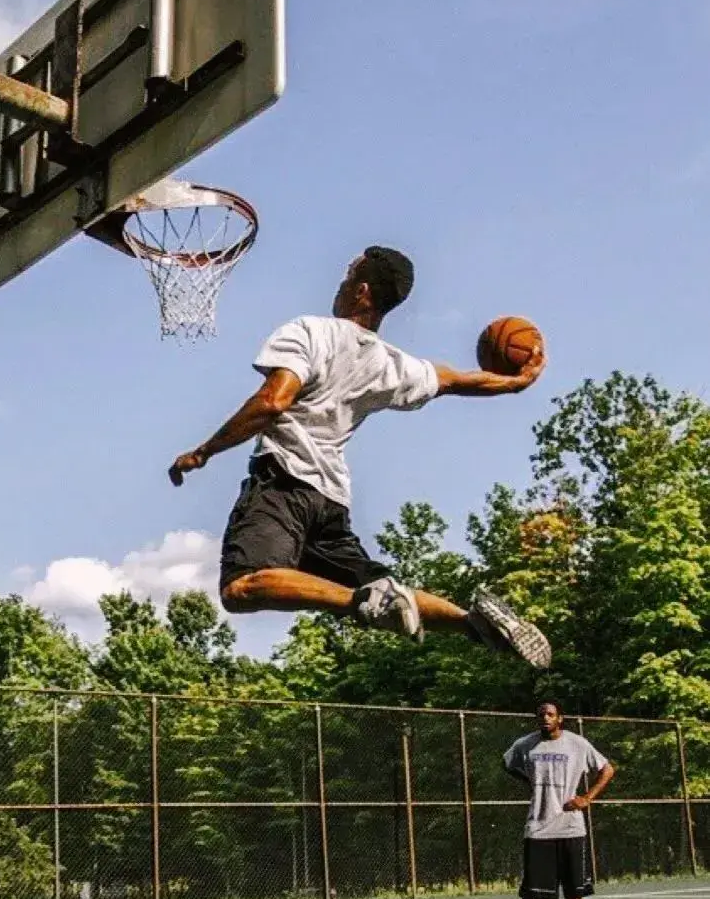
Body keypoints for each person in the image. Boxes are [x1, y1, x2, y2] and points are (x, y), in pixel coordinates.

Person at [168, 245, 551, 667]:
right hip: (330, 501)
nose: (340, 285)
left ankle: (367, 600)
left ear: (362, 291)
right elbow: (453, 380)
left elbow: (273, 401)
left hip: (284, 484)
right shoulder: (389, 363)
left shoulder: (310, 331)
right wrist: (515, 383)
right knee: (381, 591)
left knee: (241, 587)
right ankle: (472, 623)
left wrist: (204, 452)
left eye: (346, 277)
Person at [503, 700, 615, 899]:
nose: (545, 718)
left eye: (551, 714)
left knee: (575, 885)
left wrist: (587, 798)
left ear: (560, 718)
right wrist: (529, 780)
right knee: (530, 886)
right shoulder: (525, 744)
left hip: (570, 825)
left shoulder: (578, 744)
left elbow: (607, 769)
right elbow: (507, 763)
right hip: (538, 824)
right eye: (542, 714)